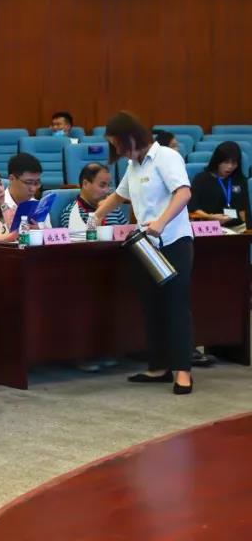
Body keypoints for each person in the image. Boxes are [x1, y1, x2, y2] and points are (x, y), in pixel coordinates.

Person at [93, 111, 194, 394]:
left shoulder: (166, 157)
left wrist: (161, 222)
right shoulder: (133, 165)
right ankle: (159, 367)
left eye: (119, 143)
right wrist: (96, 215)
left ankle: (183, 371)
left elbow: (183, 193)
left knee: (175, 306)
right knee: (152, 307)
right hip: (145, 246)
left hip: (173, 242)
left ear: (132, 137)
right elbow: (120, 195)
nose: (118, 150)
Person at [189, 140, 248, 226]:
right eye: (226, 162)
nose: (230, 166)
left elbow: (244, 210)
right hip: (208, 225)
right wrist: (210, 217)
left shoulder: (240, 180)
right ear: (217, 161)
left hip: (236, 227)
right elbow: (193, 208)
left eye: (234, 163)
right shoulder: (201, 179)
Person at [60, 163, 129, 229]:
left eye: (108, 185)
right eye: (102, 185)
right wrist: (100, 214)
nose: (107, 191)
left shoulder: (113, 207)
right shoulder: (70, 213)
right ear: (85, 184)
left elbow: (128, 233)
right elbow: (78, 237)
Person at [7, 152, 50, 229]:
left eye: (37, 183)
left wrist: (41, 231)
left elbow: (52, 235)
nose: (33, 189)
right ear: (12, 179)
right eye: (28, 182)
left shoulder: (39, 207)